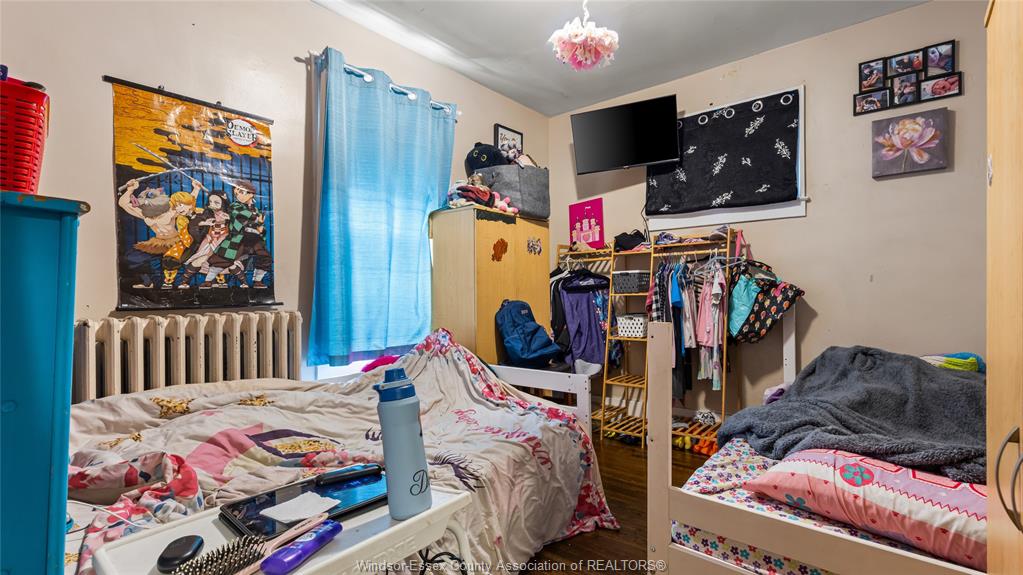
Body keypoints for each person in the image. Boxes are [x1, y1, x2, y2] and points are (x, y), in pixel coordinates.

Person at [117, 177, 201, 289]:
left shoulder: (171, 211)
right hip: (157, 243)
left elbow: (186, 202)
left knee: (172, 262)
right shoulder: (144, 213)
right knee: (131, 258)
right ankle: (147, 282)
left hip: (174, 242)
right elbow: (123, 203)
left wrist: (196, 189)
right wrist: (130, 190)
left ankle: (180, 283)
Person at [204, 179, 273, 289]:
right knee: (223, 258)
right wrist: (256, 219)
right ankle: (208, 280)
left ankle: (258, 280)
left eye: (241, 192)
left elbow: (260, 227)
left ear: (251, 194)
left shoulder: (256, 209)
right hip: (238, 238)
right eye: (236, 193)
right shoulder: (235, 206)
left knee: (265, 257)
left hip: (254, 239)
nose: (238, 196)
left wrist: (260, 227)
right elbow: (242, 214)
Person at [176, 191, 230, 288]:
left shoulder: (230, 213)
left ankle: (213, 282)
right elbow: (196, 221)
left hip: (223, 241)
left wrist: (230, 219)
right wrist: (204, 223)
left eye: (216, 202)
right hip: (209, 241)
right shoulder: (207, 213)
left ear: (223, 202)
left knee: (218, 262)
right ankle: (184, 281)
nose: (212, 204)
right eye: (210, 202)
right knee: (201, 260)